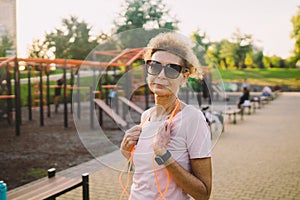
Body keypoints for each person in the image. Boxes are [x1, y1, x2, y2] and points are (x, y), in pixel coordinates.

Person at [120, 32, 212, 200]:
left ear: (184, 76)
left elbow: (203, 193)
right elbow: (148, 173)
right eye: (154, 66)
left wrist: (164, 154)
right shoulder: (146, 116)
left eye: (171, 69)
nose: (161, 75)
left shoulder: (193, 119)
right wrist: (127, 152)